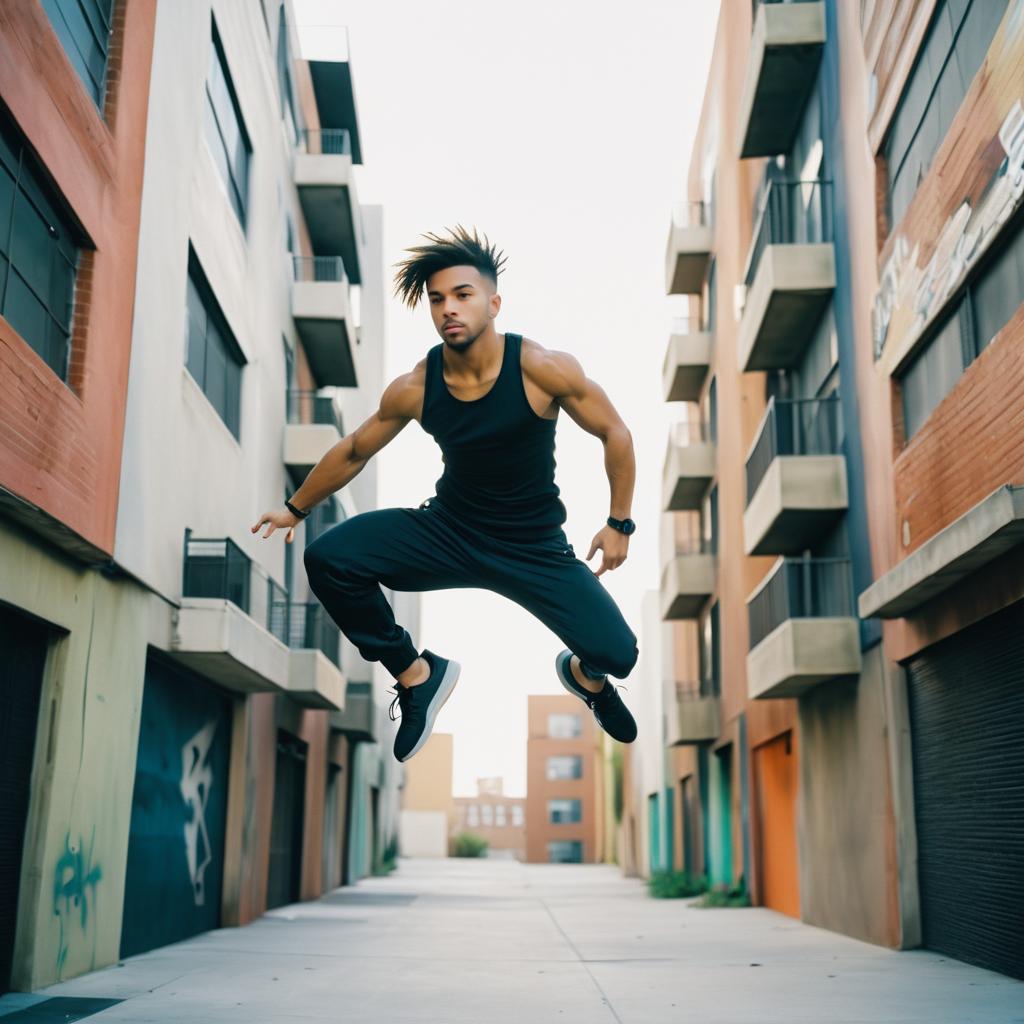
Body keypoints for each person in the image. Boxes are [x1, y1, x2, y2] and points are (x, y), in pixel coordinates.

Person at [252, 225, 639, 762]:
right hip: (448, 532)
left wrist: (619, 523)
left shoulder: (542, 368)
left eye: (462, 295)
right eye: (437, 300)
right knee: (330, 558)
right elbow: (356, 448)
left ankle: (586, 678)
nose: (448, 309)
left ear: (494, 302)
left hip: (533, 547)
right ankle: (417, 675)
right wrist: (296, 508)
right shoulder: (417, 386)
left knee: (619, 654)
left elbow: (614, 432)